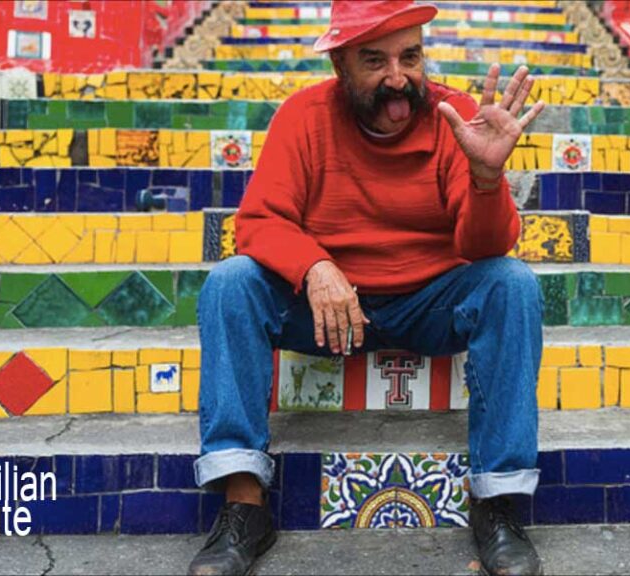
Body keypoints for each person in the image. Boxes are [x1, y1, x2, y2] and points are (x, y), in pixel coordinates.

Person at [189, 1, 547, 574]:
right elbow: (257, 223)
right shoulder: (303, 117)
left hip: (432, 303)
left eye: (410, 56)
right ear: (339, 65)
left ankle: (497, 502)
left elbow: (486, 247)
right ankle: (244, 505)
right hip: (328, 312)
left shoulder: (456, 116)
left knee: (512, 284)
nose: (398, 78)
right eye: (374, 60)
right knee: (231, 283)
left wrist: (486, 177)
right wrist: (314, 267)